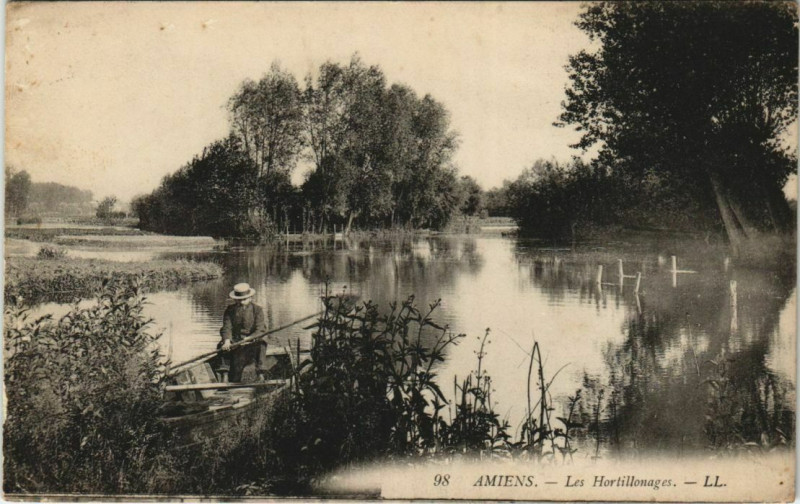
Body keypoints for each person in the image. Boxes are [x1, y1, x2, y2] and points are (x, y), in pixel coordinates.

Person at [216, 282, 269, 383]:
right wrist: (227, 341)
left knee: (262, 343)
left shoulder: (257, 310)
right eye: (238, 300)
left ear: (250, 298)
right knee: (221, 345)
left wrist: (249, 338)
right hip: (235, 341)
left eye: (243, 300)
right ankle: (224, 375)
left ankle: (260, 374)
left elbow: (260, 329)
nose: (240, 302)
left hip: (252, 341)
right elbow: (226, 327)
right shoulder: (229, 310)